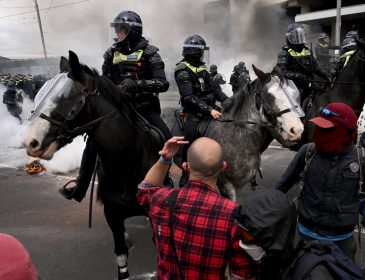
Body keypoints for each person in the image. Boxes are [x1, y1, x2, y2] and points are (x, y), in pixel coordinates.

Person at [59, 10, 172, 201]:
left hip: (143, 107)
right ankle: (80, 185)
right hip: (118, 110)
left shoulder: (150, 52)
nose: (117, 32)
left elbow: (162, 83)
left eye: (121, 28)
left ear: (132, 30)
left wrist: (135, 85)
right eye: (117, 28)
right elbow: (105, 82)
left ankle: (164, 178)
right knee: (94, 141)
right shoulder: (111, 53)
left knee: (165, 137)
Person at [273, 103, 365, 265]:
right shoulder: (307, 152)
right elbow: (279, 189)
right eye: (320, 127)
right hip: (303, 241)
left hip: (341, 246)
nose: (320, 133)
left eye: (327, 129)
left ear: (347, 131)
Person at [136, 136, 256, 280]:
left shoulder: (161, 199)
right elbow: (242, 274)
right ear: (223, 167)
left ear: (185, 167)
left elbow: (145, 189)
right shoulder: (234, 214)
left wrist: (165, 158)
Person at [174, 35, 227, 186]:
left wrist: (229, 102)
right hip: (192, 113)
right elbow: (189, 96)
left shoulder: (202, 68)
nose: (203, 54)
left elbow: (215, 90)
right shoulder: (182, 69)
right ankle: (186, 172)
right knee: (190, 138)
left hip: (210, 109)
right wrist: (209, 110)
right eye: (201, 51)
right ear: (195, 52)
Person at [277, 23, 330, 105]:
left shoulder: (307, 51)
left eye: (300, 36)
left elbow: (316, 68)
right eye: (296, 36)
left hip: (309, 83)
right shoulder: (284, 53)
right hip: (293, 86)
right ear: (290, 38)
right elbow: (282, 73)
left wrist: (326, 75)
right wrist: (298, 76)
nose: (299, 38)